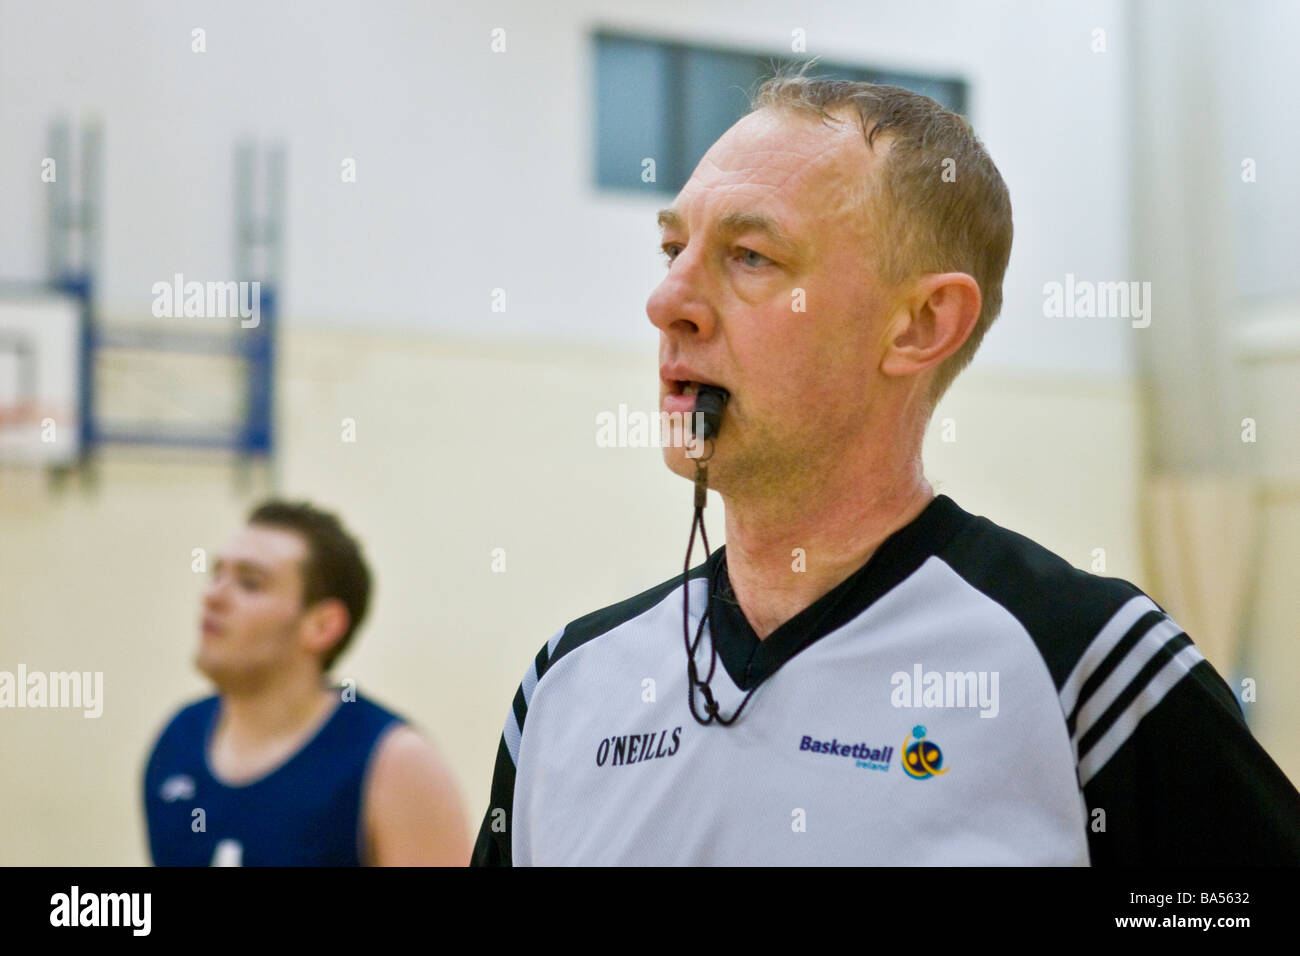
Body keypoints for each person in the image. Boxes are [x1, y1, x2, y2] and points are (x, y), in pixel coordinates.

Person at [471, 67, 1300, 866]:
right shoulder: (565, 686)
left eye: (751, 256)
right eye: (672, 249)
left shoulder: (1090, 668)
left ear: (919, 324)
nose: (666, 303)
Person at [144, 500, 470, 865]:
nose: (213, 596)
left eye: (249, 583)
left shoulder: (396, 763)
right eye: (216, 575)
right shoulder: (178, 740)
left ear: (321, 626)